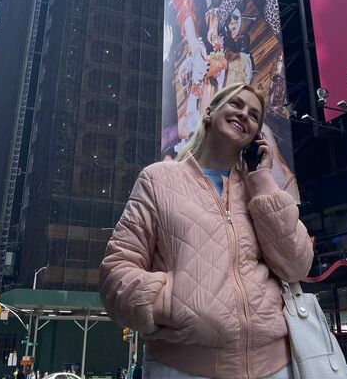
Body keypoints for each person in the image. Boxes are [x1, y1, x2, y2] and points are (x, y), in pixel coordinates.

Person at [99, 82, 313, 379]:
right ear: (210, 112)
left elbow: (297, 265)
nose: (244, 114)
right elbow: (116, 271)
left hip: (276, 367)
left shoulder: (259, 188)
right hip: (183, 368)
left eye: (254, 114)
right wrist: (170, 303)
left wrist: (262, 179)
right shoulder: (158, 179)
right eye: (236, 104)